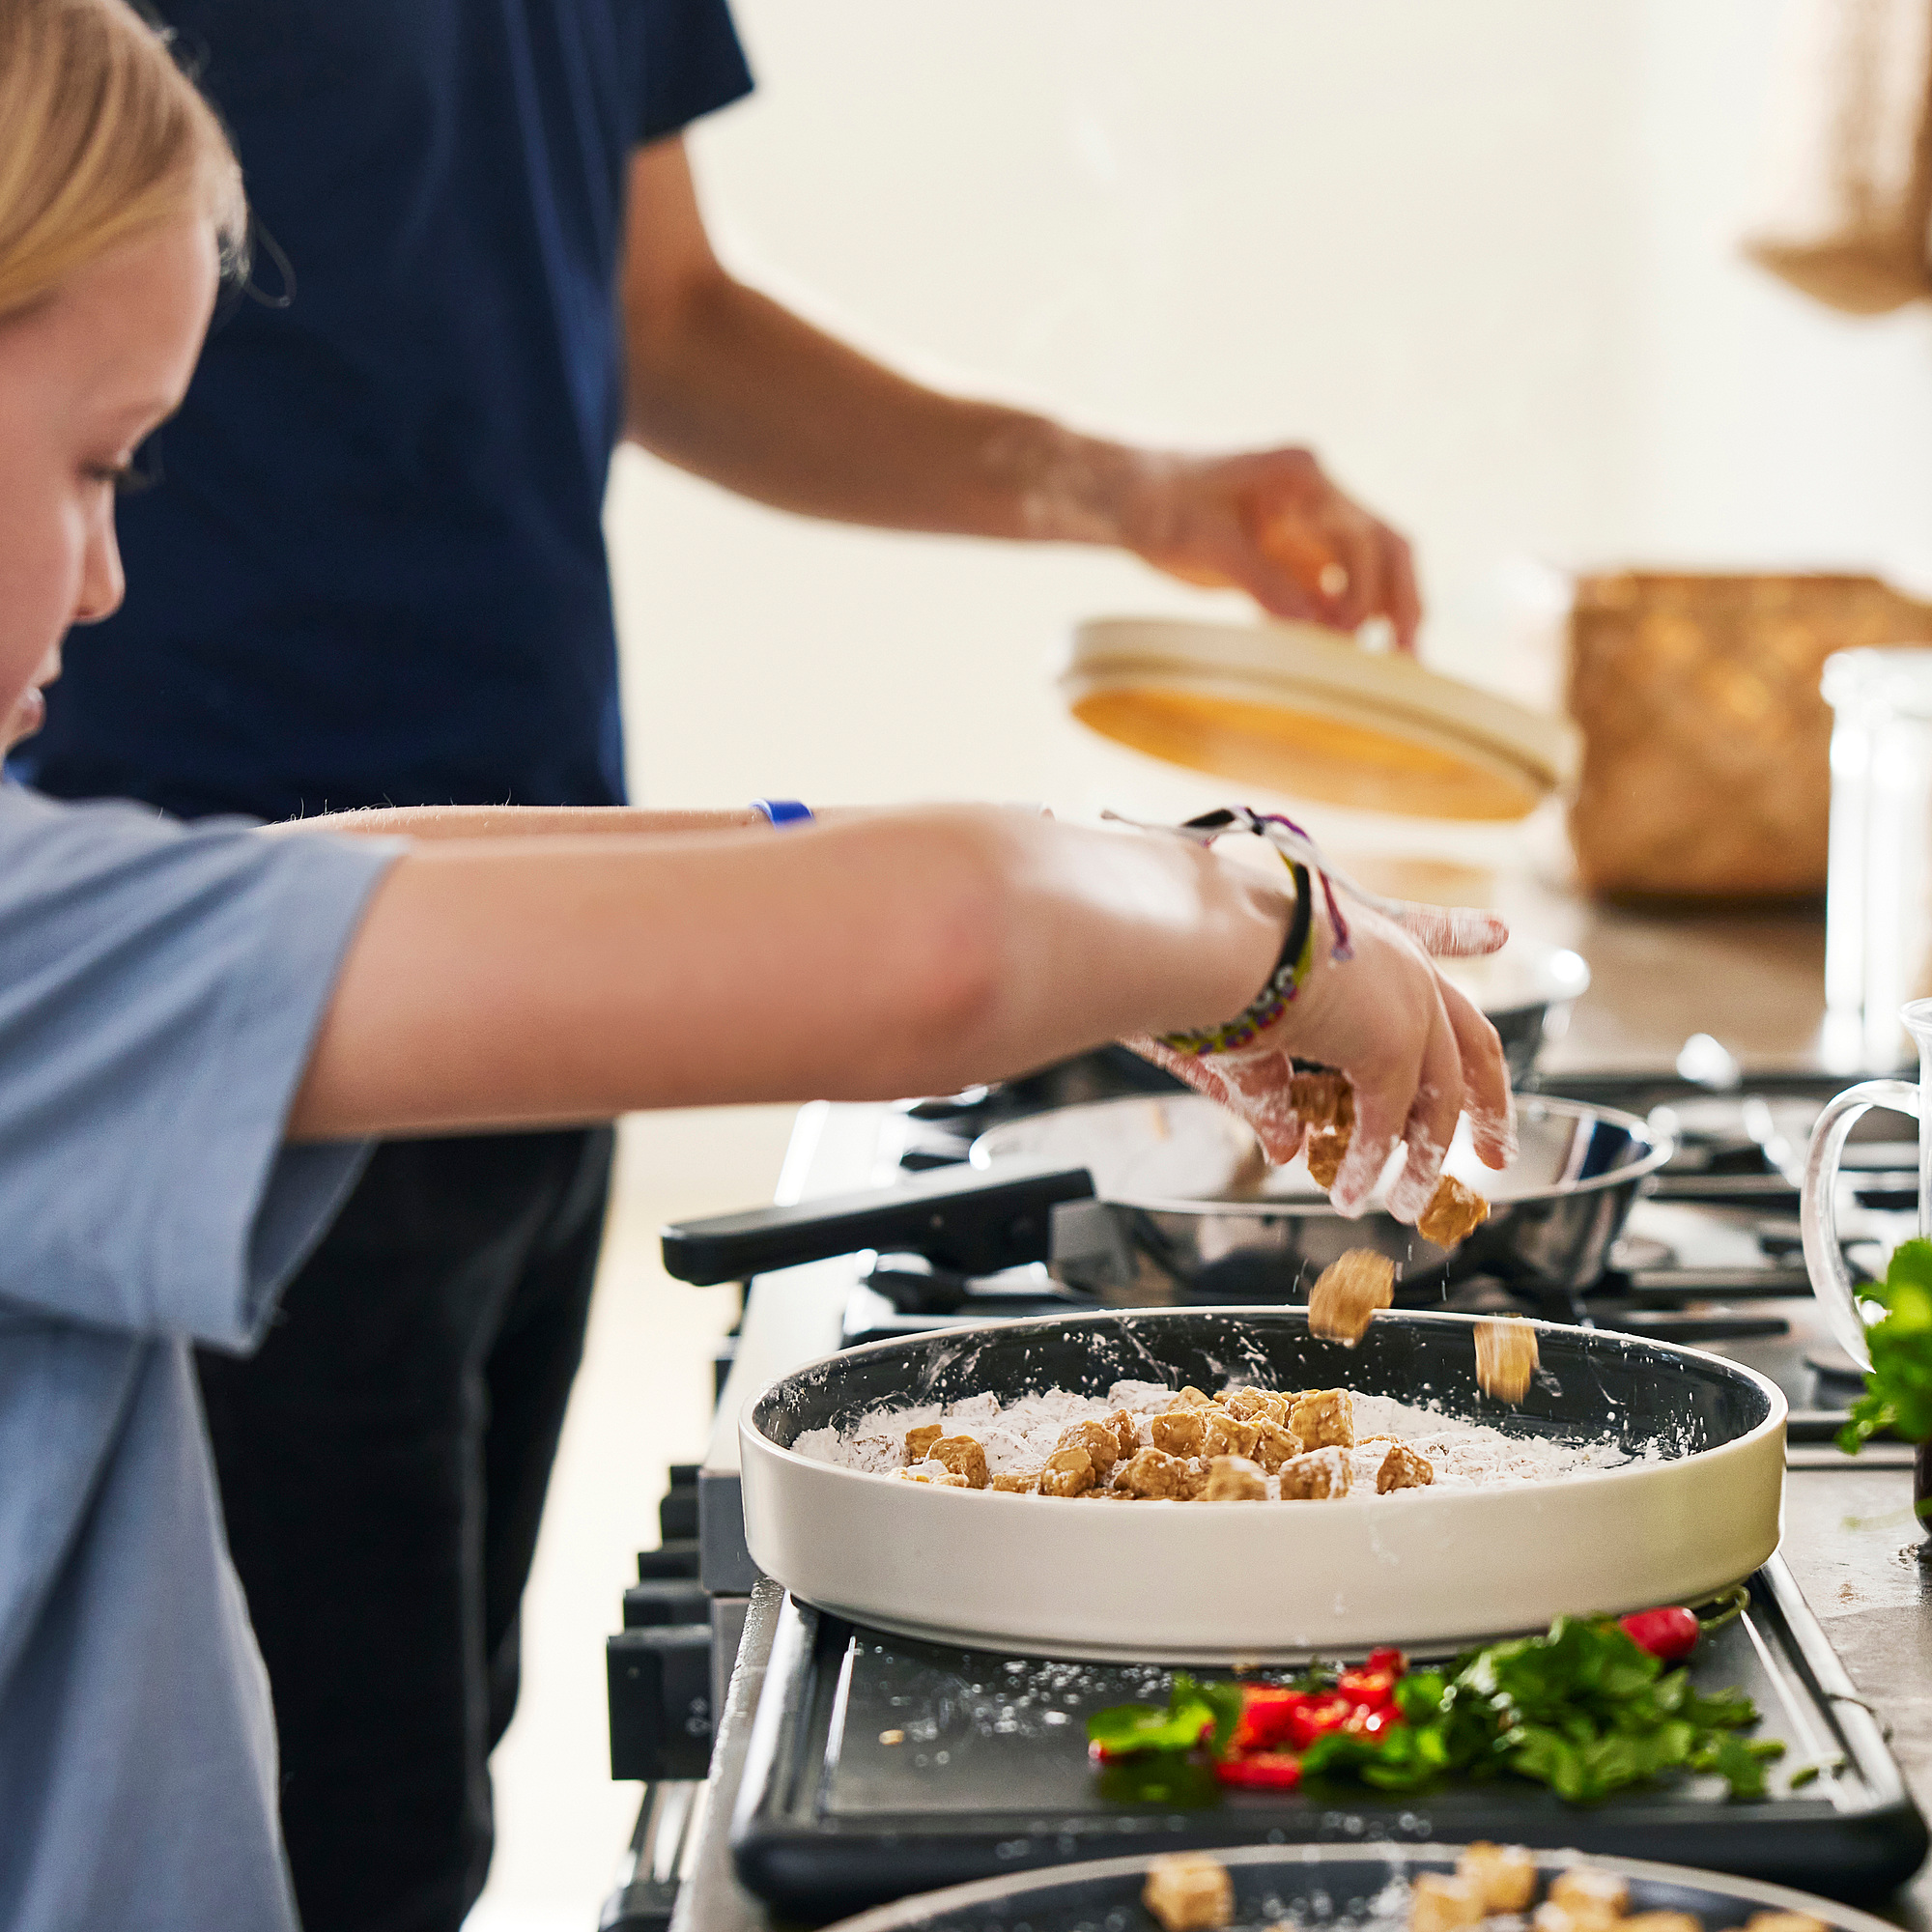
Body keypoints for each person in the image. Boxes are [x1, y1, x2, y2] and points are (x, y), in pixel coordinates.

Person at [11, 3, 1432, 1926]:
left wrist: (1111, 867)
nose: (110, 574)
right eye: (108, 464)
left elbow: (336, 867)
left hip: (382, 969)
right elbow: (941, 945)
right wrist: (1248, 926)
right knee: (371, 1828)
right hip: (241, 1062)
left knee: (403, 1797)